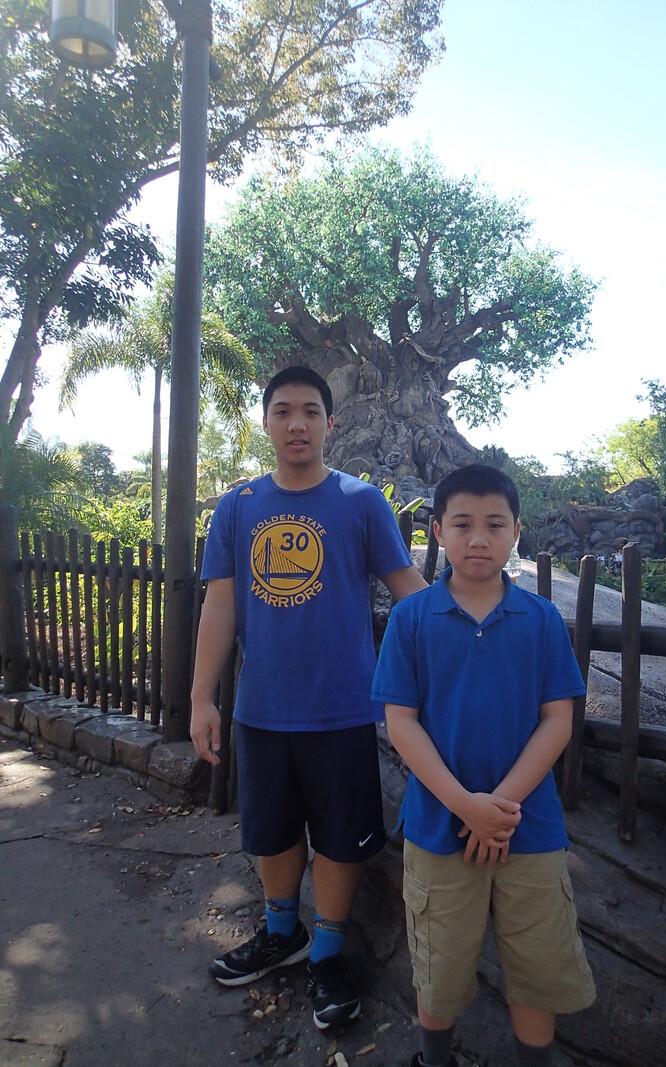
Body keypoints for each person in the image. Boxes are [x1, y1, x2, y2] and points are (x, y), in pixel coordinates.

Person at [190, 365, 426, 1030]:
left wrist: (471, 632)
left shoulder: (361, 502)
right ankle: (281, 931)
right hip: (261, 707)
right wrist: (201, 697)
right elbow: (220, 606)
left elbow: (407, 590)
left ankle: (327, 952)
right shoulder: (237, 506)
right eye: (284, 411)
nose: (297, 423)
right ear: (265, 422)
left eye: (311, 411)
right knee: (271, 828)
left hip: (344, 706)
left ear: (330, 421)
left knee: (342, 838)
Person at [371, 464, 596, 1067]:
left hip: (530, 827)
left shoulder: (541, 620)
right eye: (462, 524)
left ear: (516, 532)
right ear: (438, 531)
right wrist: (465, 806)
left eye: (495, 525)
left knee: (537, 968)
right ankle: (433, 1058)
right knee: (439, 966)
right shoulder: (411, 619)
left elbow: (558, 720)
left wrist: (499, 808)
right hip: (439, 827)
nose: (478, 539)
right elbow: (400, 722)